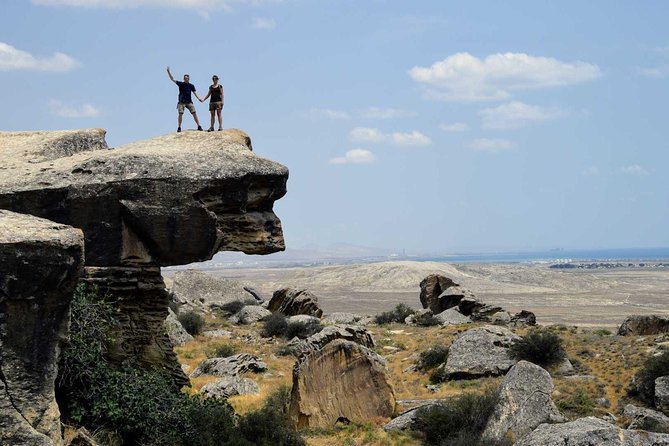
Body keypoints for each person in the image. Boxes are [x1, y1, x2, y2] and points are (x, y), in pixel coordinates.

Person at [166, 66, 203, 132]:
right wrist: (168, 72)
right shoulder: (181, 84)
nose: (186, 79)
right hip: (181, 102)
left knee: (194, 113)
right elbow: (172, 79)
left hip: (189, 102)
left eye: (187, 78)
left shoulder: (191, 85)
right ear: (184, 78)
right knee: (180, 114)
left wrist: (199, 98)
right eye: (185, 78)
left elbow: (195, 93)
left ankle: (199, 125)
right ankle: (179, 127)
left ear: (189, 79)